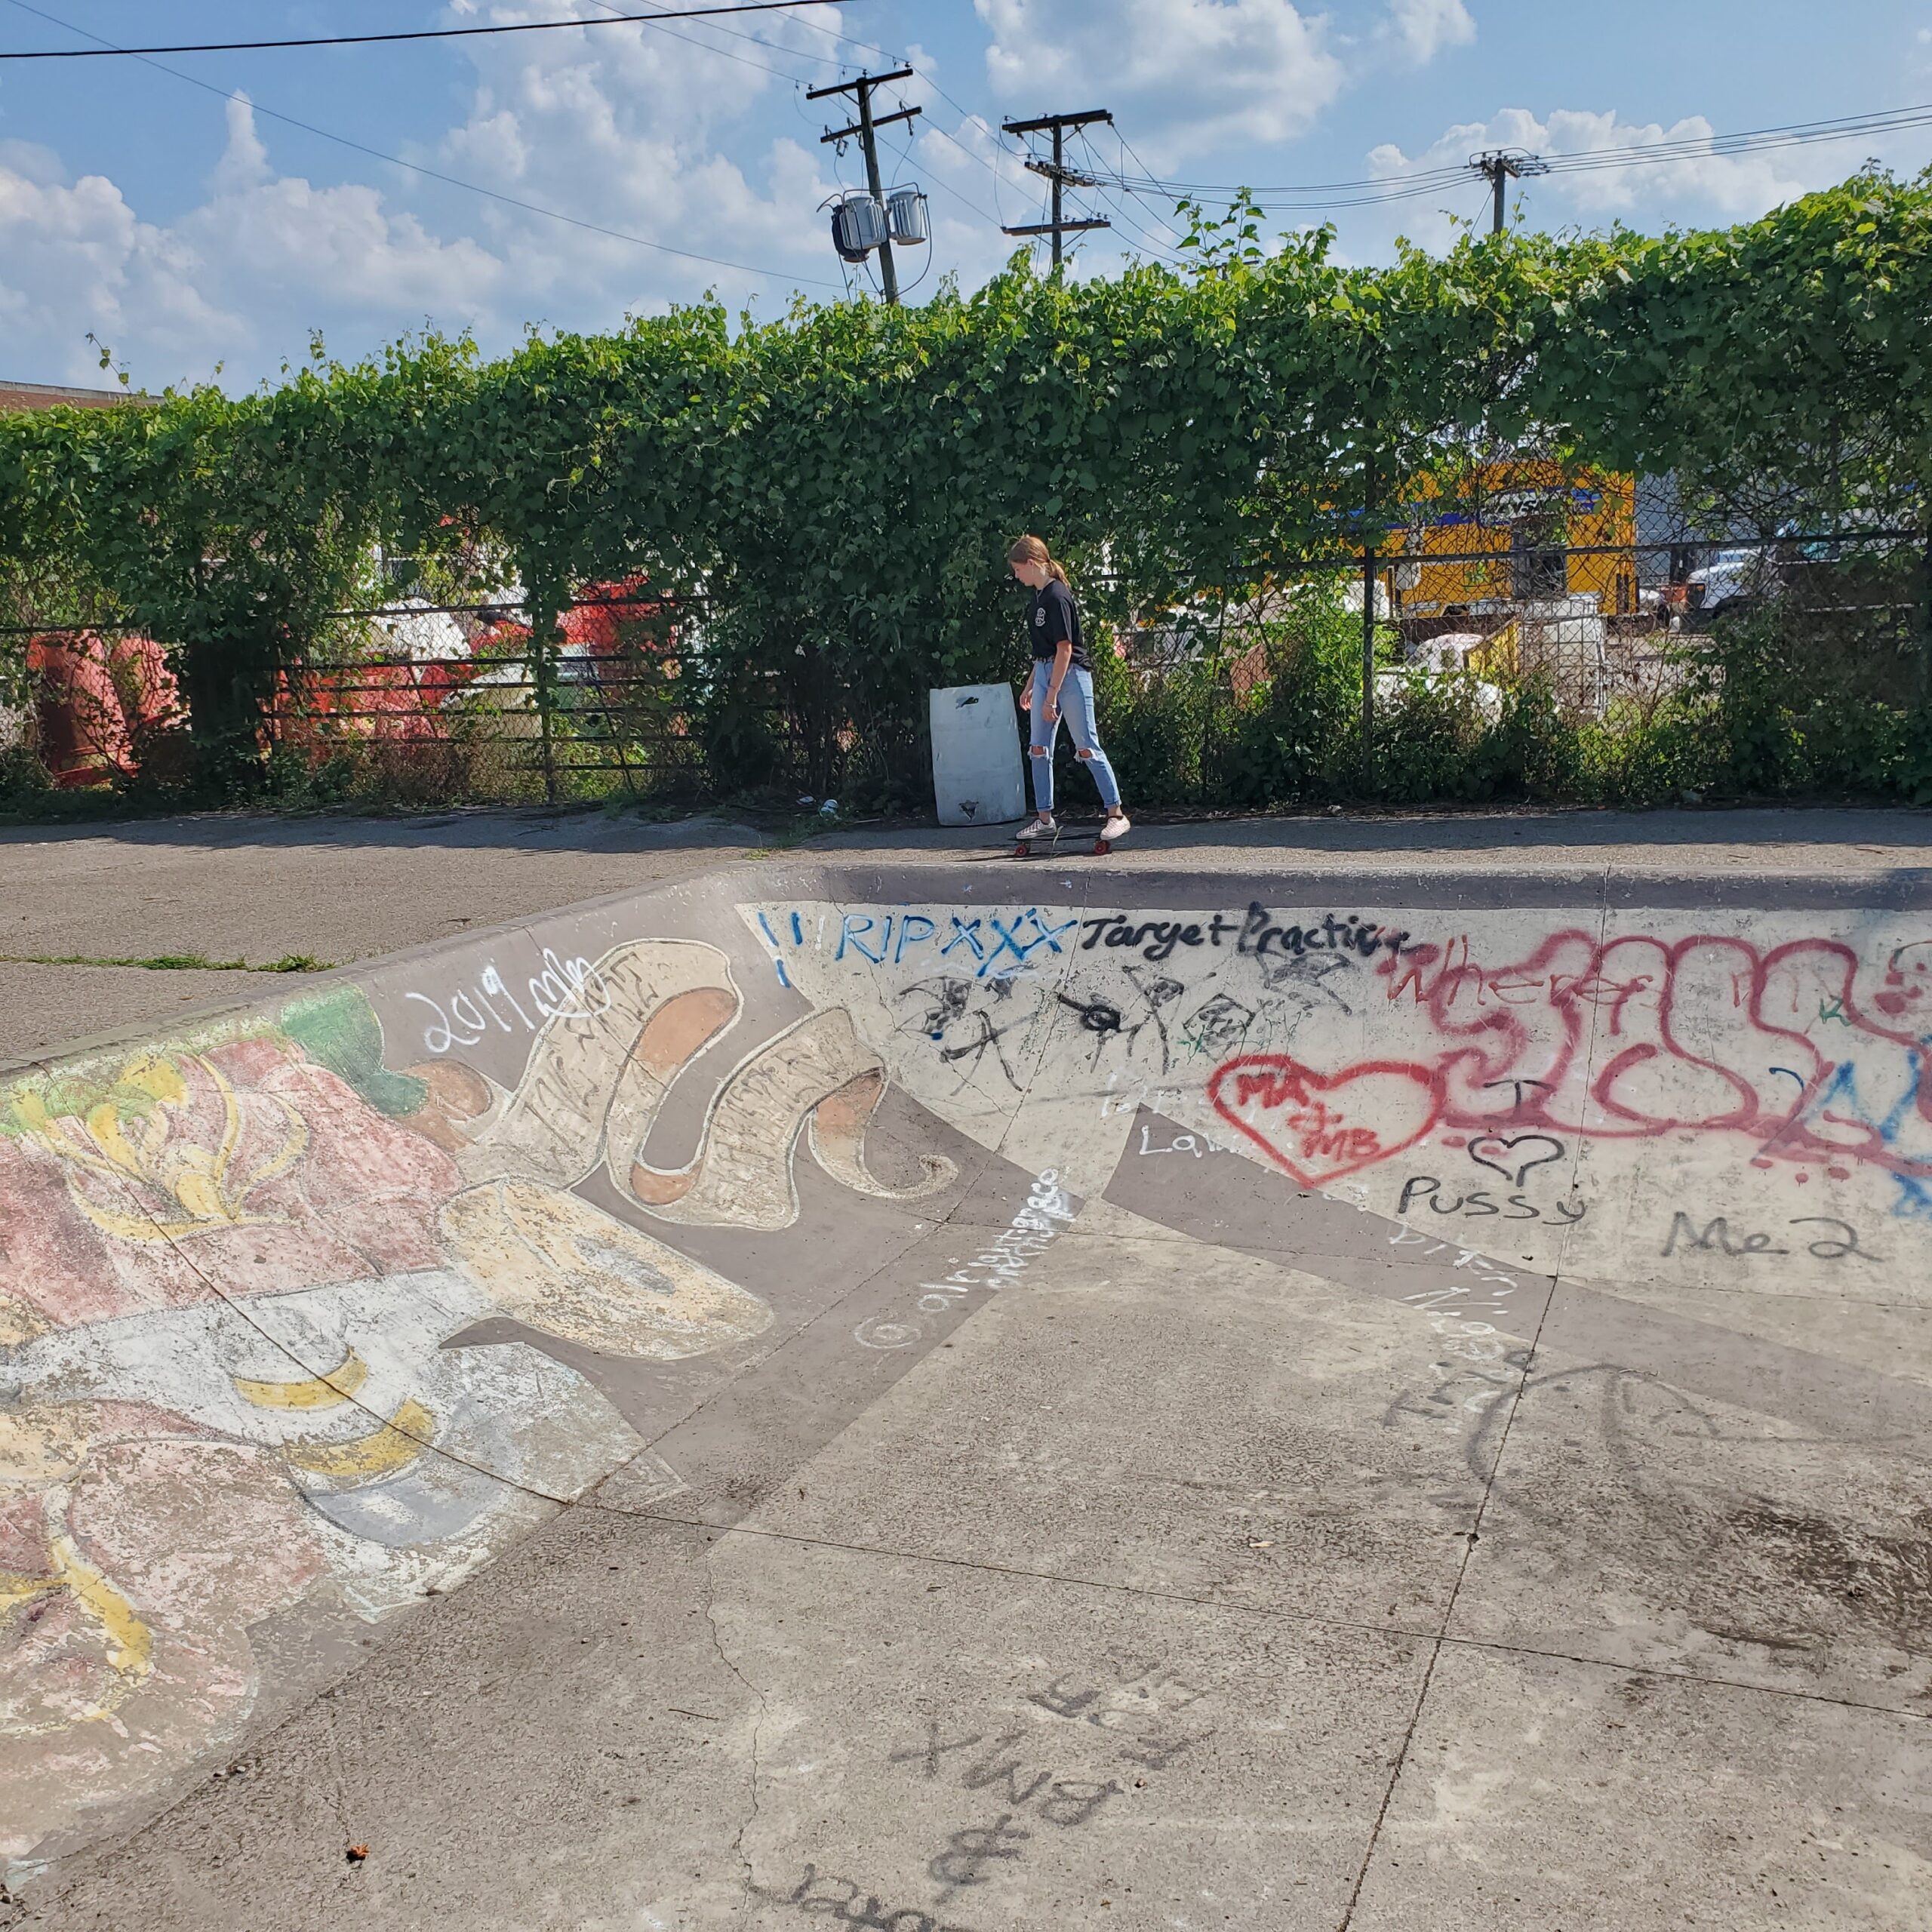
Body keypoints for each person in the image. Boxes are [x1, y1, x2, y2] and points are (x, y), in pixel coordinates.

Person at [1006, 534, 1130, 844]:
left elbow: (1065, 649)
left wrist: (1050, 697)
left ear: (1032, 564)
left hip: (1071, 675)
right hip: (1047, 671)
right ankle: (1044, 818)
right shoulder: (1035, 599)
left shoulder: (1057, 596)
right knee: (1038, 749)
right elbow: (1043, 653)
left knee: (1086, 746)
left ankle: (1115, 813)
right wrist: (1030, 687)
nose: (1016, 576)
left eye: (1018, 569)